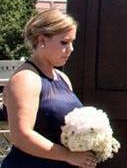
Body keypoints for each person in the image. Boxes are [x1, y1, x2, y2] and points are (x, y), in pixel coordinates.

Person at [1, 9, 97, 168]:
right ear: (42, 40)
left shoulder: (62, 78)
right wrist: (68, 156)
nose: (71, 48)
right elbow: (21, 135)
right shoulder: (26, 79)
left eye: (72, 42)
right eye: (64, 42)